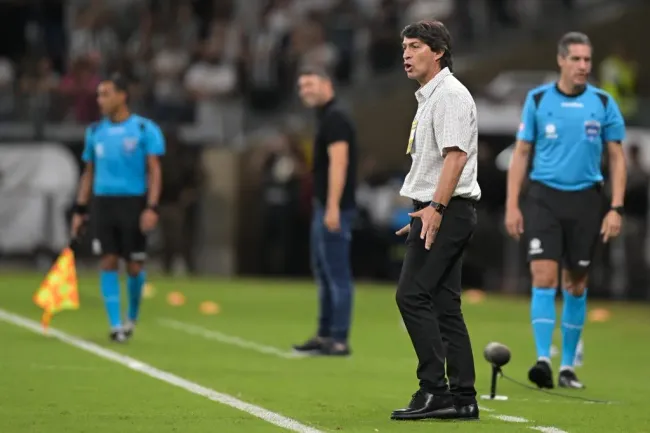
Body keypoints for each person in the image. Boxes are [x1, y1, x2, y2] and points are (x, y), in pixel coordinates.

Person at [505, 32, 626, 389]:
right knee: (543, 276)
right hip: (544, 197)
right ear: (561, 60)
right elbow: (521, 153)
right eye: (576, 59)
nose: (583, 66)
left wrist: (615, 208)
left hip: (587, 200)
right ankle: (543, 359)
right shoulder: (538, 99)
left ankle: (568, 366)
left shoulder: (603, 102)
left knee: (576, 283)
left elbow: (617, 158)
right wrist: (513, 204)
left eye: (587, 60)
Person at [391, 20, 481, 421]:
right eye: (404, 47)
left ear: (438, 51)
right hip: (441, 209)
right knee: (445, 306)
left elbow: (456, 157)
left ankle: (434, 390)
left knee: (411, 295)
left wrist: (436, 208)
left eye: (414, 46)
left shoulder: (449, 95)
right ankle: (463, 397)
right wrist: (428, 208)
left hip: (446, 209)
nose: (406, 54)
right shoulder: (431, 97)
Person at [71, 73, 166, 343]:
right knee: (108, 260)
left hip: (133, 203)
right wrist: (80, 210)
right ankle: (115, 325)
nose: (100, 100)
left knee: (135, 265)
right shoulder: (94, 132)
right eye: (99, 94)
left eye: (106, 94)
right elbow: (88, 173)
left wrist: (152, 207)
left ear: (122, 96)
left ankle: (131, 318)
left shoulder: (145, 130)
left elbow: (154, 171)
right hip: (103, 203)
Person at [292, 67, 358, 357]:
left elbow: (339, 163)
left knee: (336, 274)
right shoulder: (326, 117)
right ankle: (324, 334)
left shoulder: (336, 118)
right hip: (325, 206)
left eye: (309, 84)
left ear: (326, 83)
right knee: (324, 271)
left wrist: (332, 206)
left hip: (335, 208)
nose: (304, 90)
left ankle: (339, 338)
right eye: (301, 86)